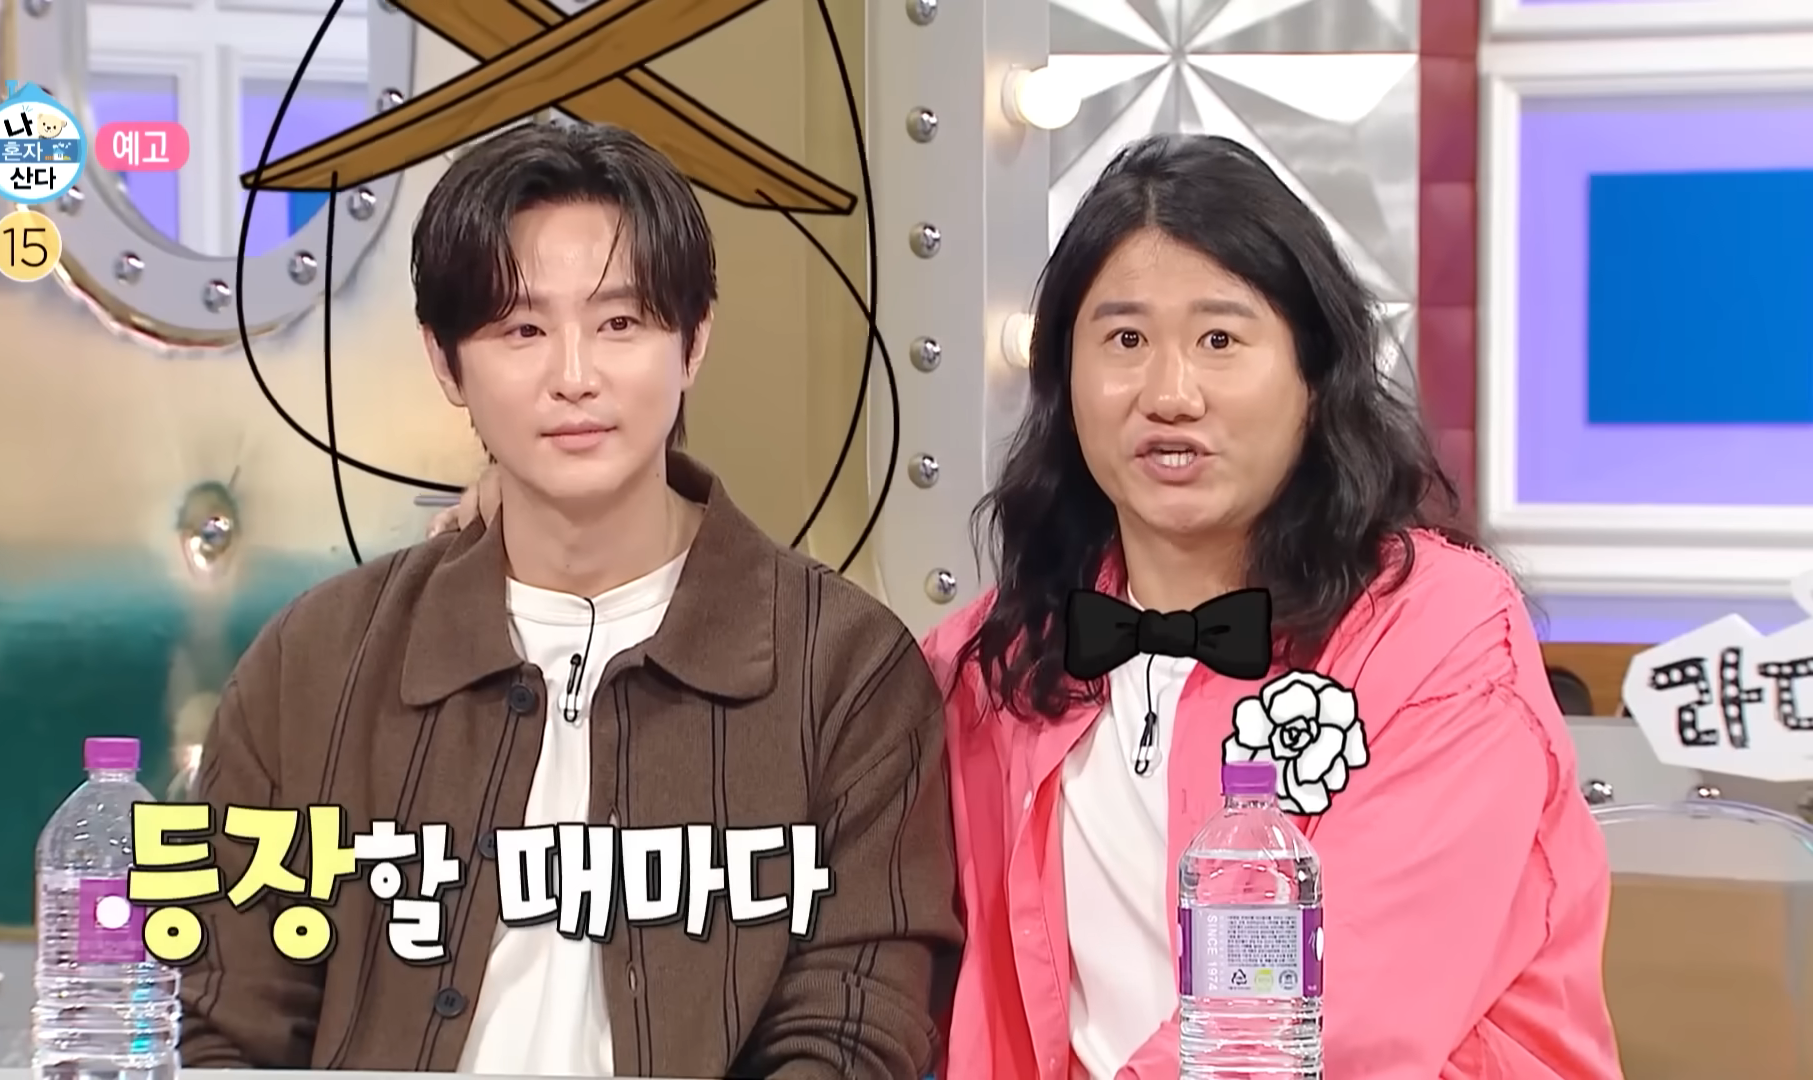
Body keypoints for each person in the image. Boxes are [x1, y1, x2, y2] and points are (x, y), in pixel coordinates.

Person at [181, 120, 961, 1080]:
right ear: (445, 362)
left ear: (694, 342)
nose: (575, 377)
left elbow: (853, 1031)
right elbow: (222, 1023)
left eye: (620, 324)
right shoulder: (318, 662)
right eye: (522, 329)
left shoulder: (843, 670)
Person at [921, 135, 1623, 1079]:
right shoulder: (994, 660)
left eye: (1220, 340)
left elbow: (1345, 1023)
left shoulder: (1442, 635)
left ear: (1313, 375)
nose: (1170, 394)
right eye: (1125, 340)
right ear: (1063, 379)